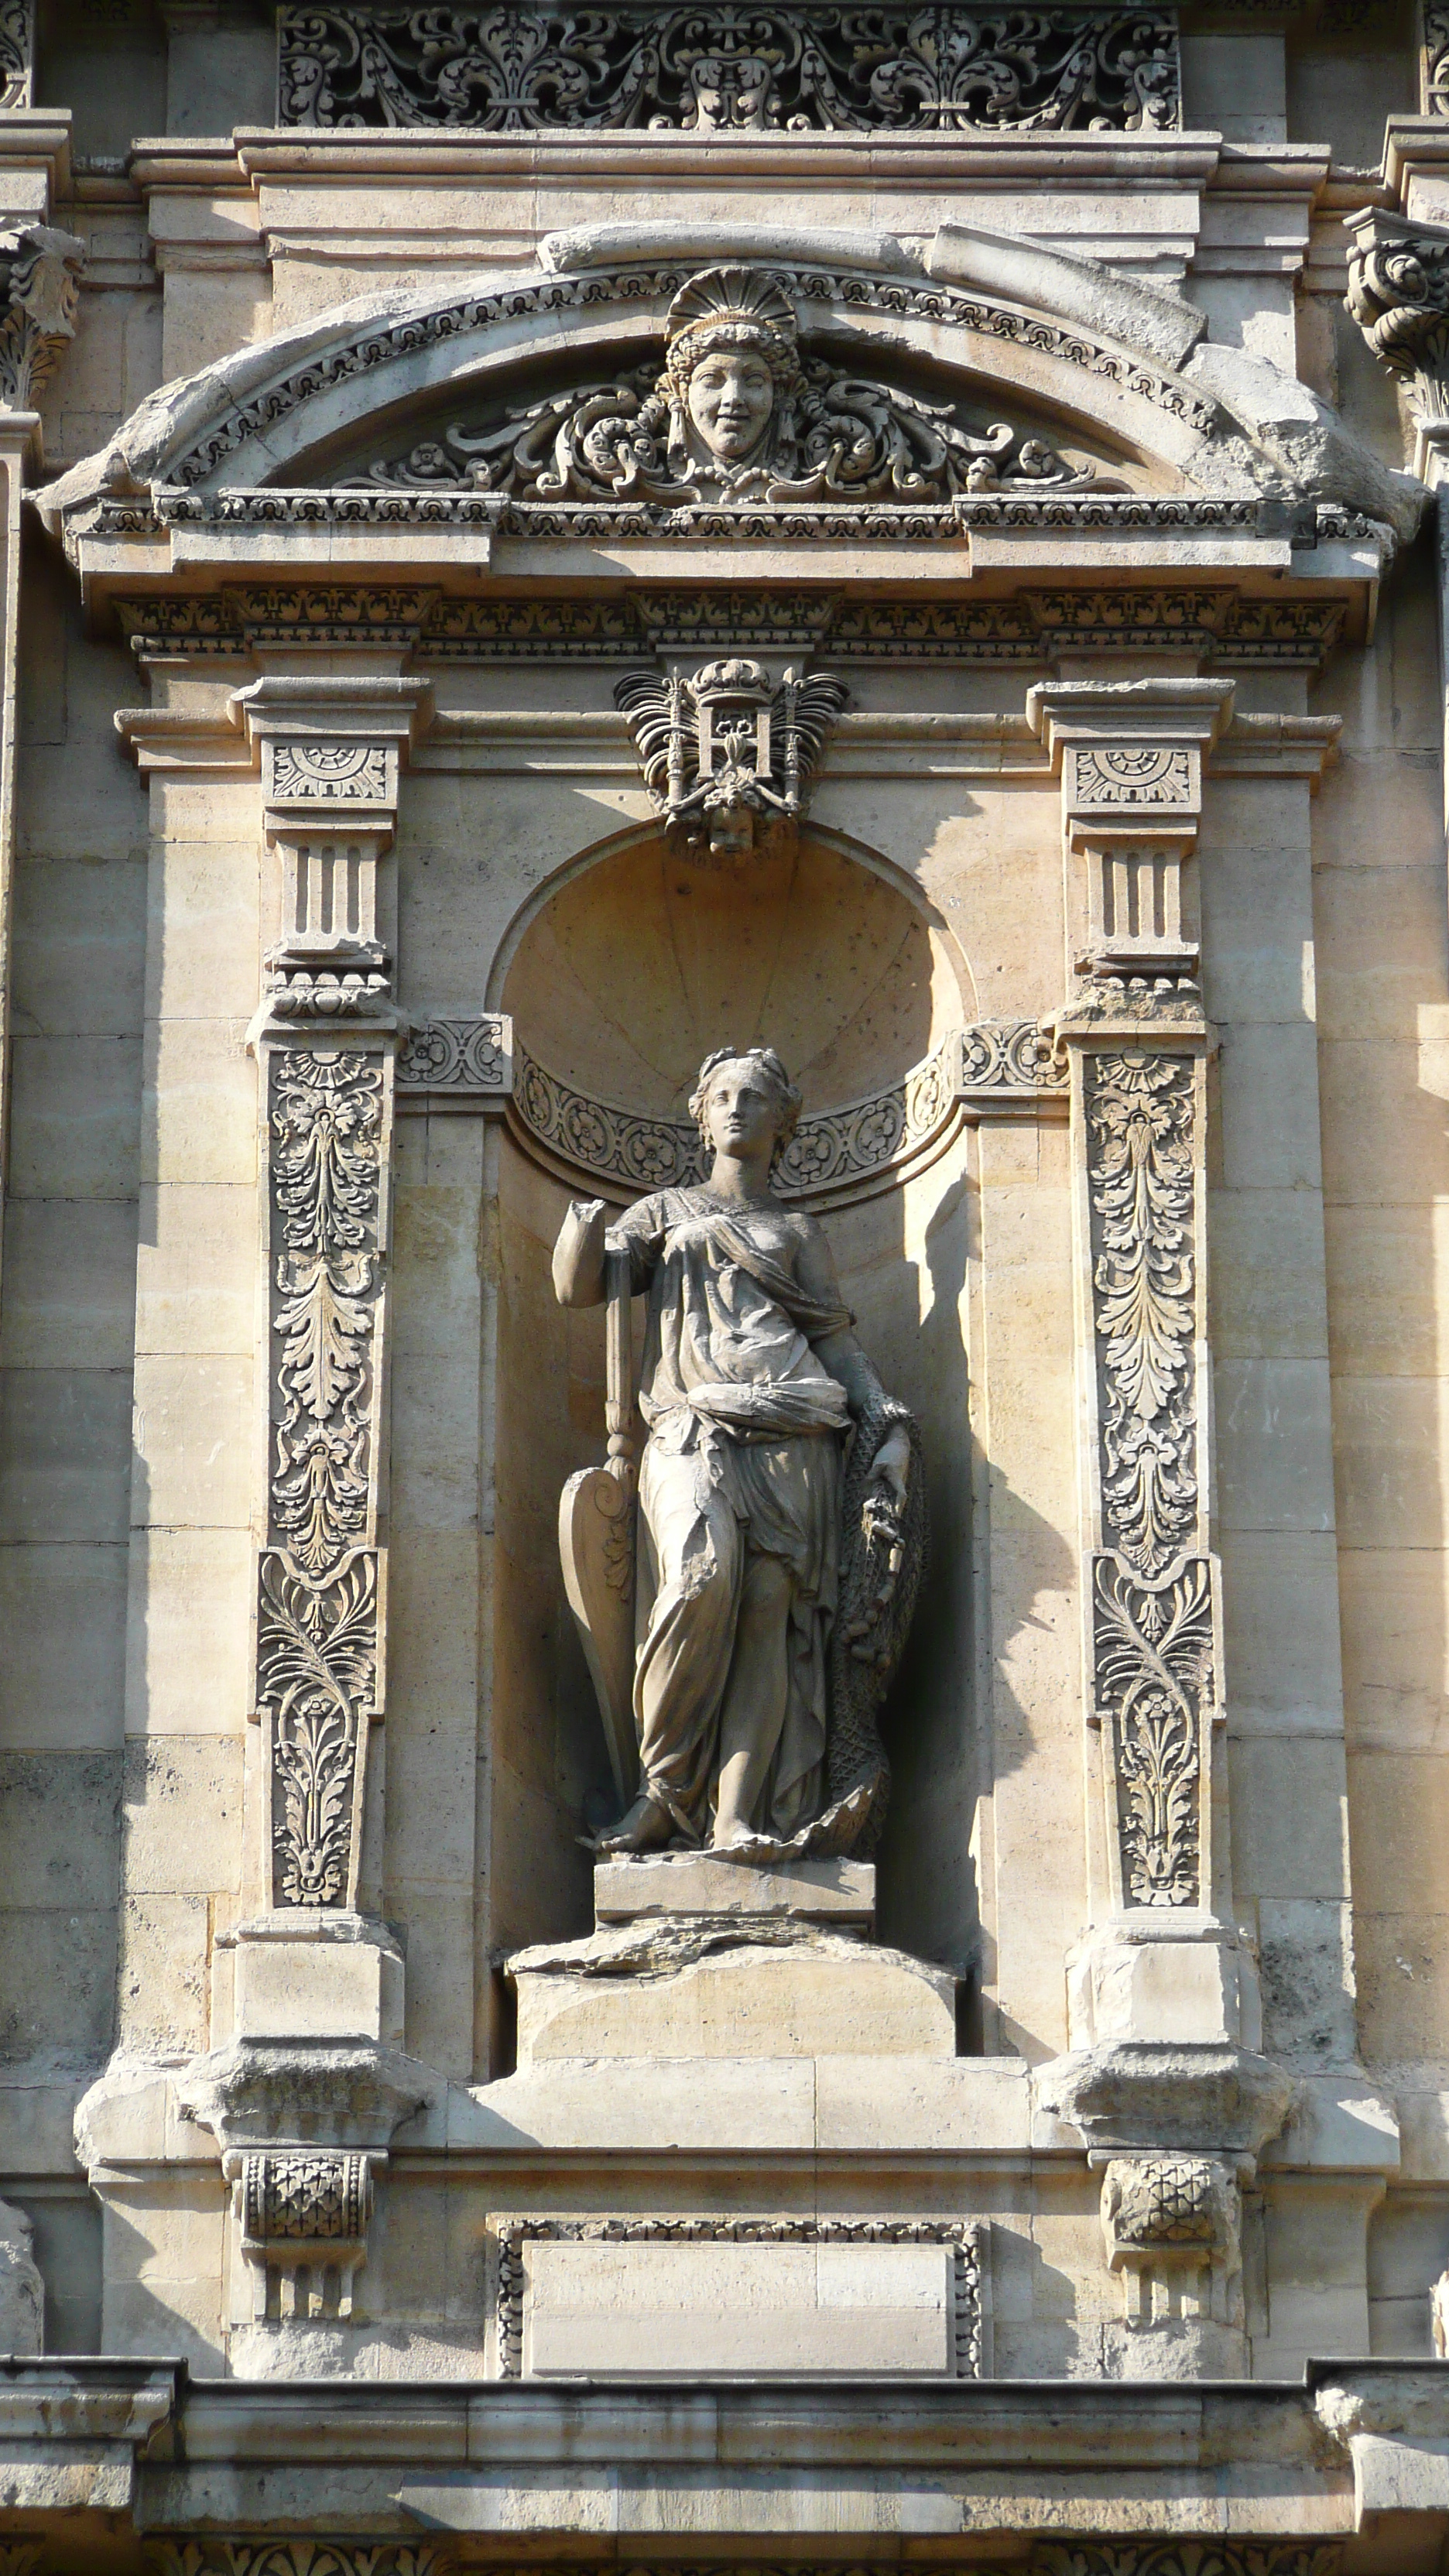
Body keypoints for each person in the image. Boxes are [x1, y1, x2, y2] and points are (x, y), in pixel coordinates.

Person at [552, 1044, 917, 1855]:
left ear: (784, 1120)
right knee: (697, 1579)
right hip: (692, 1428)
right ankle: (663, 1789)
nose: (737, 1109)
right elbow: (580, 1287)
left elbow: (833, 1342)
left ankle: (737, 1815)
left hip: (795, 1434)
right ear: (701, 1113)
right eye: (721, 1095)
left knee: (770, 1623)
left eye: (754, 1097)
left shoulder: (796, 1229)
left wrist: (887, 1423)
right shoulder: (665, 1211)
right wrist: (580, 1229)